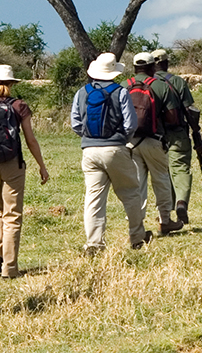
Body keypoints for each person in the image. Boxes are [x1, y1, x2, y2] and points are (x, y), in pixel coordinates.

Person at [0, 64, 50, 279]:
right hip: (12, 163)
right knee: (12, 215)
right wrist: (41, 166)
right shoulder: (19, 106)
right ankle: (10, 268)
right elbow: (30, 140)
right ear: (12, 84)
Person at [70, 52, 150, 253]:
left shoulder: (82, 92)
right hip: (115, 148)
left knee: (94, 198)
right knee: (130, 193)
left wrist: (88, 137)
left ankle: (94, 243)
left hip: (89, 151)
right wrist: (122, 139)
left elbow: (75, 123)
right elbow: (130, 123)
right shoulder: (120, 92)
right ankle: (137, 237)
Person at [127, 52, 184, 235]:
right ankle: (165, 220)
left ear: (134, 68)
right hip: (154, 140)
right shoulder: (160, 86)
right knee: (161, 179)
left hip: (130, 142)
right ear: (152, 67)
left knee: (137, 184)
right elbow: (172, 117)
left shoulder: (124, 86)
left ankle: (136, 226)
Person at [151, 48, 202, 224]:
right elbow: (190, 110)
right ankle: (181, 202)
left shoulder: (148, 83)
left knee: (162, 173)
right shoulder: (177, 82)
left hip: (153, 135)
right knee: (180, 168)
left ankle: (165, 214)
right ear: (166, 63)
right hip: (177, 133)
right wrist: (196, 133)